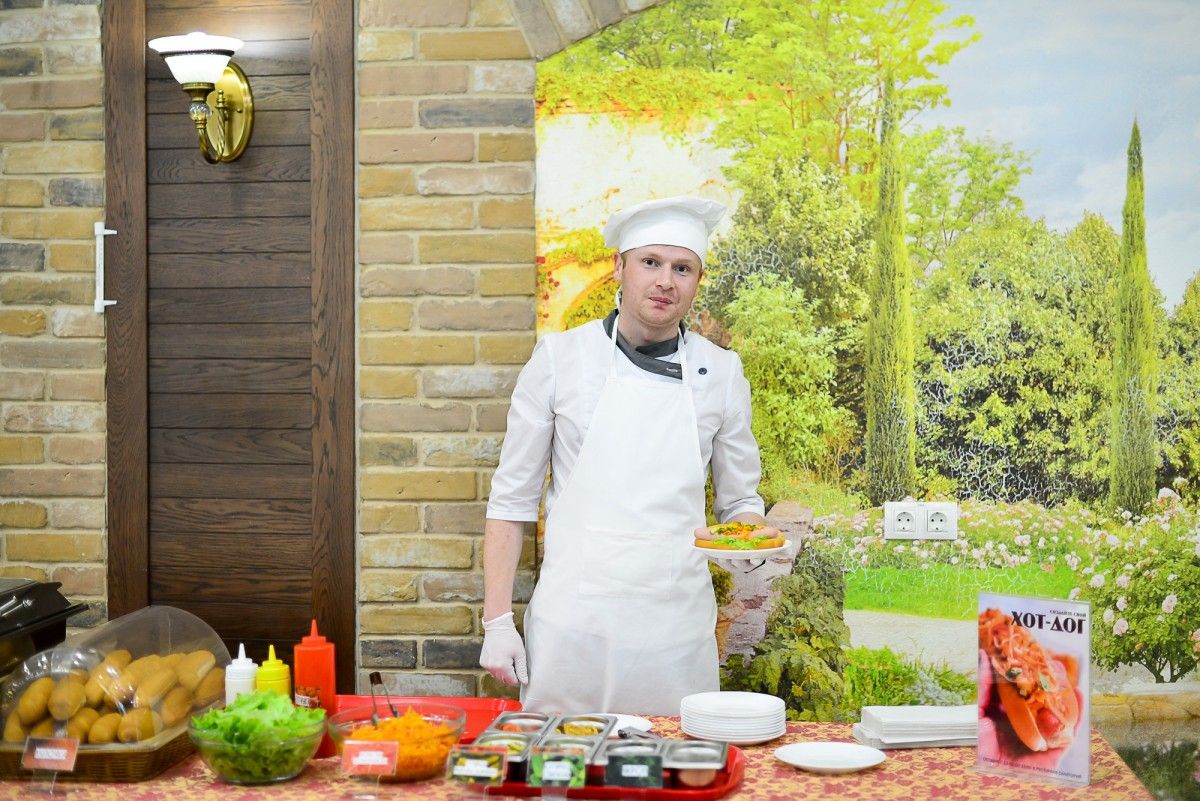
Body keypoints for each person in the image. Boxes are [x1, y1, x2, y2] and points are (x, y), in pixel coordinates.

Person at [479, 196, 780, 716]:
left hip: (674, 634)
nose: (665, 281)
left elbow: (740, 503)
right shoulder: (559, 359)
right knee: (563, 762)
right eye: (651, 262)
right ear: (619, 267)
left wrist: (749, 540)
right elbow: (511, 501)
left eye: (682, 268)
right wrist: (497, 621)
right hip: (572, 627)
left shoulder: (721, 372)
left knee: (674, 762)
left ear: (698, 280)